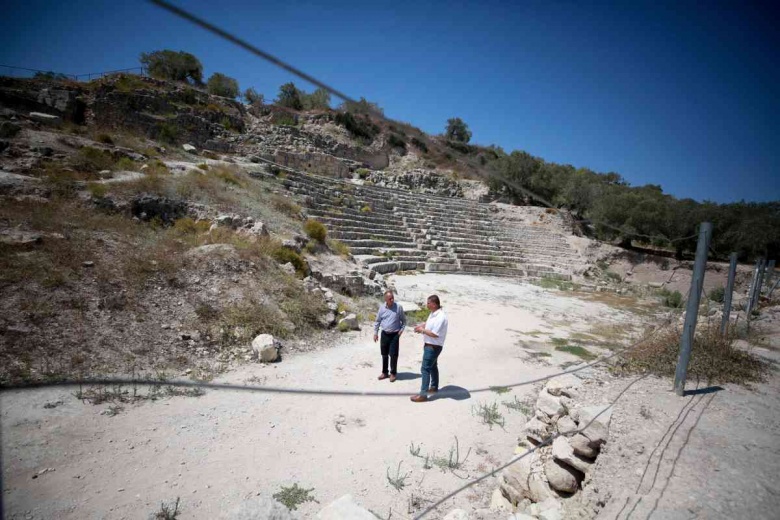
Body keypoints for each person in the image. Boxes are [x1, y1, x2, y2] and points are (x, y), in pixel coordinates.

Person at [411, 294, 448, 403]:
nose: (426, 305)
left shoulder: (441, 317)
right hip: (430, 345)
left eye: (428, 303)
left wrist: (422, 330)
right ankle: (434, 387)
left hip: (433, 346)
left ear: (434, 304)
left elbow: (435, 334)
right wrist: (421, 326)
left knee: (425, 368)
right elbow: (429, 323)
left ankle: (423, 395)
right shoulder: (433, 314)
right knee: (433, 366)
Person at [373, 290, 406, 382]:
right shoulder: (382, 308)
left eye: (393, 298)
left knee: (394, 355)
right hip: (384, 334)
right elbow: (377, 321)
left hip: (395, 334)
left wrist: (401, 331)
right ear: (386, 299)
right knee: (384, 354)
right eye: (390, 298)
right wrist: (375, 333)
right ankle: (384, 372)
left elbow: (404, 321)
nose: (392, 299)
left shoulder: (398, 307)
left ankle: (393, 373)